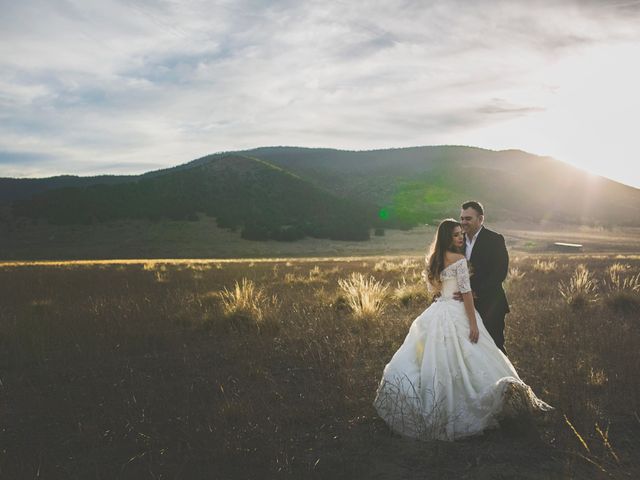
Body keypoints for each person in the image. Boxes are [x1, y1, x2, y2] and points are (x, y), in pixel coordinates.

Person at [373, 219, 552, 441]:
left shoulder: (433, 261)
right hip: (457, 311)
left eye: (461, 234)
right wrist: (474, 324)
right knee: (475, 353)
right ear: (448, 237)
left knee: (436, 358)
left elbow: (435, 291)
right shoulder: (459, 260)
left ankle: (437, 402)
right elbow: (466, 294)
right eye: (456, 234)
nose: (460, 237)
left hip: (438, 310)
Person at [458, 201, 509, 354]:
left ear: (480, 219)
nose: (463, 222)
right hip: (464, 307)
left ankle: (505, 378)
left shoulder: (495, 240)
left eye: (468, 219)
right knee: (470, 348)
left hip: (490, 305)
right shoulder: (457, 241)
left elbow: (500, 272)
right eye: (462, 218)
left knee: (495, 347)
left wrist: (475, 293)